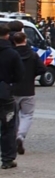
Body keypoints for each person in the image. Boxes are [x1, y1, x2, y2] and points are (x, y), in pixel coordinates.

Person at [11, 31, 43, 157]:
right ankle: (20, 135)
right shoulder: (33, 55)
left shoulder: (12, 54)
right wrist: (32, 75)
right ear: (25, 40)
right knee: (27, 114)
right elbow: (42, 69)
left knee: (12, 115)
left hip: (13, 88)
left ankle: (12, 137)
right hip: (28, 89)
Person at [0, 25, 25, 169]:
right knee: (8, 126)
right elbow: (19, 74)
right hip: (5, 92)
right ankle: (7, 159)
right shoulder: (12, 53)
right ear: (7, 35)